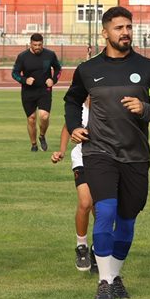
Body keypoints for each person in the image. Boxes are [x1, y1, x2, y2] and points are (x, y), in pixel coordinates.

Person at [65, 6, 150, 299]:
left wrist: (146, 109)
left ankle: (114, 277)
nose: (125, 32)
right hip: (99, 152)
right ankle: (103, 283)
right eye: (118, 28)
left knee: (127, 220)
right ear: (105, 32)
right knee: (106, 211)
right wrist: (75, 126)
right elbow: (72, 99)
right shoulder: (88, 70)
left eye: (128, 27)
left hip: (136, 156)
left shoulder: (148, 67)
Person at [51, 111, 97, 274]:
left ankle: (98, 248)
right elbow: (67, 126)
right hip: (82, 159)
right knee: (86, 202)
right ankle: (81, 246)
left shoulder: (110, 102)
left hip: (105, 161)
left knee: (100, 208)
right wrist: (61, 151)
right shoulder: (79, 108)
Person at [12, 33, 62, 152]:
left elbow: (58, 69)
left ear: (42, 43)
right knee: (32, 119)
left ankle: (42, 136)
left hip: (44, 90)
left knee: (44, 117)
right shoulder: (22, 57)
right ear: (30, 44)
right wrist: (25, 80)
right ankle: (34, 144)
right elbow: (14, 73)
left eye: (40, 45)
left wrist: (53, 80)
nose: (37, 47)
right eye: (35, 45)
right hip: (28, 92)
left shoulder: (50, 55)